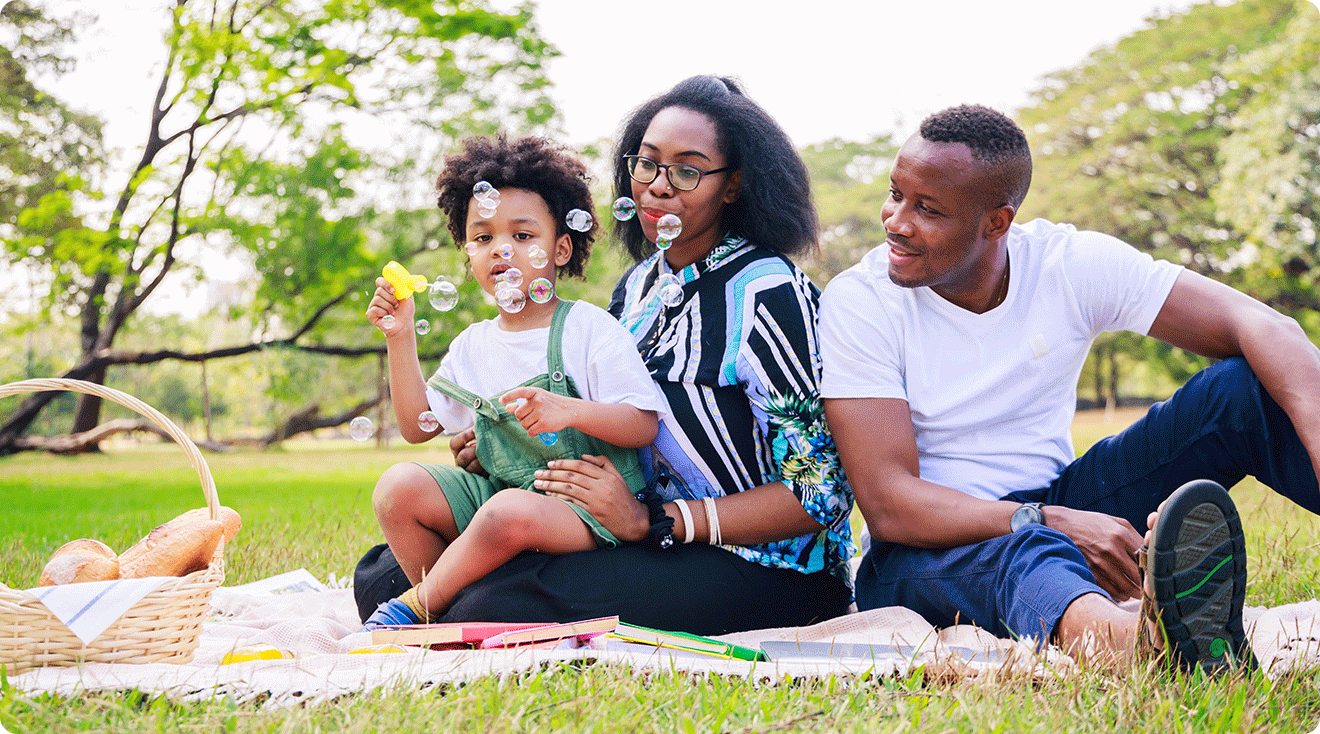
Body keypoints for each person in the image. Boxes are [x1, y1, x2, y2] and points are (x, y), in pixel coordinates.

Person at [819, 104, 1320, 672]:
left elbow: (1265, 328)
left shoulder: (1065, 263)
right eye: (896, 194)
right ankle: (1146, 644)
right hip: (921, 552)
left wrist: (1054, 516)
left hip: (1060, 501)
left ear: (996, 223)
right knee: (1029, 550)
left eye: (926, 209)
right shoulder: (861, 301)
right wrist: (1048, 522)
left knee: (1238, 392)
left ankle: (1163, 618)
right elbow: (890, 506)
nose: (896, 220)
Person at [354, 75, 854, 635]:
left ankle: (449, 606)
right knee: (380, 575)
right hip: (629, 533)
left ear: (732, 186)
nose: (658, 187)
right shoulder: (639, 288)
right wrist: (501, 442)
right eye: (647, 164)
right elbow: (597, 413)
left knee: (486, 600)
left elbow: (820, 492)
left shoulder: (767, 291)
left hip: (764, 566)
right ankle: (448, 598)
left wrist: (654, 522)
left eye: (687, 170)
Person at [360, 135, 667, 626]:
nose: (501, 248)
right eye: (483, 238)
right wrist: (399, 337)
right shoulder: (472, 345)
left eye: (522, 236)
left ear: (560, 248)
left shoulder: (587, 328)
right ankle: (455, 611)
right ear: (469, 255)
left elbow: (642, 424)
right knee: (399, 487)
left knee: (508, 512)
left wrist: (570, 409)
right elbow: (419, 426)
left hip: (586, 507)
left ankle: (417, 607)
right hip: (504, 499)